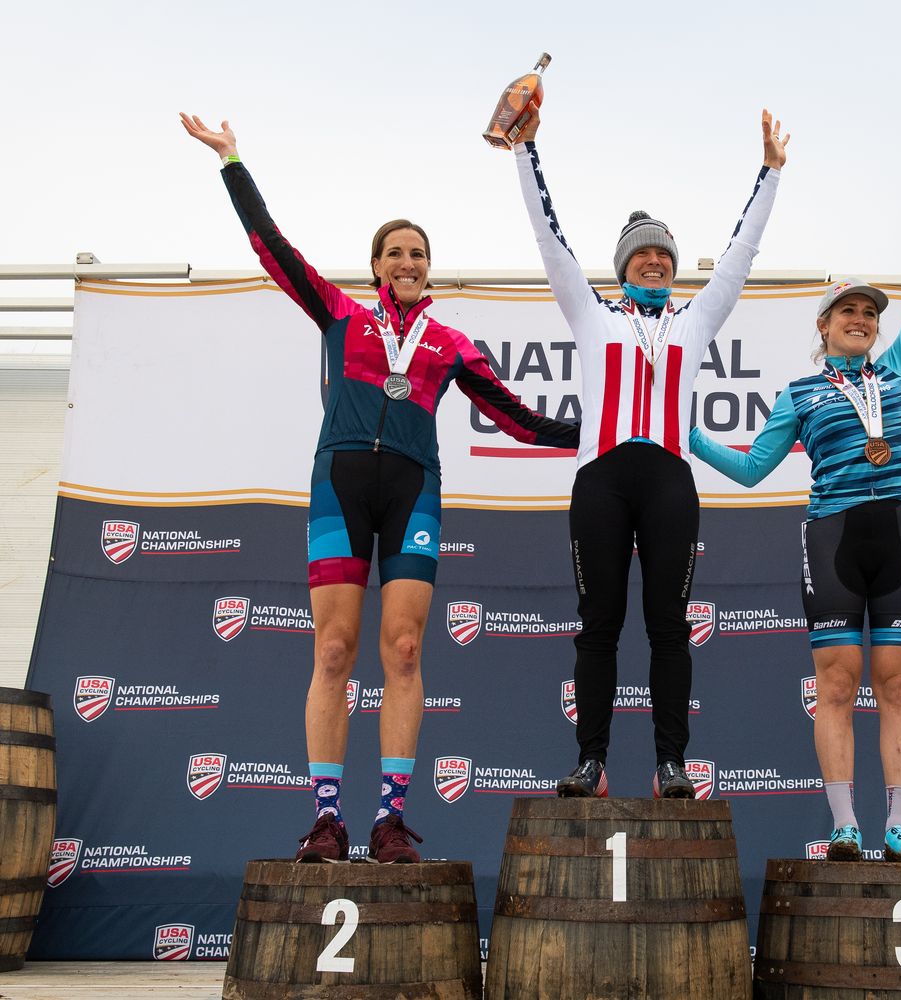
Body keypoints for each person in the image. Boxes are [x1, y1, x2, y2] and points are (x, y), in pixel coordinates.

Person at [180, 113, 578, 862]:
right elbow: (273, 248)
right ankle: (327, 820)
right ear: (374, 267)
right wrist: (232, 160)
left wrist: (606, 431)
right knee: (333, 650)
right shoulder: (339, 314)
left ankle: (389, 821)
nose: (408, 262)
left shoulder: (452, 344)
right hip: (339, 481)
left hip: (414, 492)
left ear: (430, 268)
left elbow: (521, 421)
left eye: (418, 254)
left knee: (401, 649)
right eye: (395, 252)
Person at [689, 187, 901, 860]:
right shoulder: (798, 395)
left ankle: (899, 826)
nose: (860, 320)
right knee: (835, 683)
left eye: (868, 314)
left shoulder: (894, 371)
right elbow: (751, 470)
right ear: (824, 327)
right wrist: (687, 436)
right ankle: (845, 826)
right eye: (847, 311)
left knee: (898, 683)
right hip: (832, 537)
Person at [510, 107, 788, 798]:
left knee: (669, 626)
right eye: (643, 255)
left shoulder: (696, 318)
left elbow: (739, 255)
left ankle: (671, 765)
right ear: (624, 265)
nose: (656, 262)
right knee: (597, 625)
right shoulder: (591, 313)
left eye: (664, 255)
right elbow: (550, 239)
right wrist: (525, 150)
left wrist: (771, 173)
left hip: (669, 479)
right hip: (600, 480)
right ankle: (591, 761)